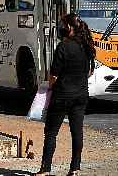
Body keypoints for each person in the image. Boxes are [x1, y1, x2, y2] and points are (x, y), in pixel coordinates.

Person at [36, 13, 96, 176]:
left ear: (69, 27)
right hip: (81, 95)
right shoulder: (87, 45)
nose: (60, 28)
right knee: (77, 132)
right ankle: (75, 168)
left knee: (51, 132)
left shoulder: (63, 46)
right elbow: (90, 71)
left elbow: (54, 76)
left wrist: (50, 86)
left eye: (62, 24)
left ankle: (45, 169)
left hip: (62, 95)